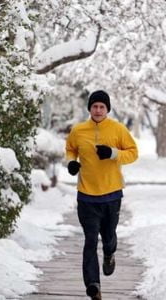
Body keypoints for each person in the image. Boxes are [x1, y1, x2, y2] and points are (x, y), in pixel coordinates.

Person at [65, 90, 138, 300]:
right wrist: (71, 162)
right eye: (95, 106)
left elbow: (133, 152)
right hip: (86, 196)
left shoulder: (117, 129)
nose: (98, 110)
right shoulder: (78, 130)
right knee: (89, 240)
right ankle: (93, 285)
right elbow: (70, 149)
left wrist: (113, 153)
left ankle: (109, 253)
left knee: (108, 237)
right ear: (90, 108)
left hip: (112, 194)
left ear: (107, 109)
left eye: (102, 107)